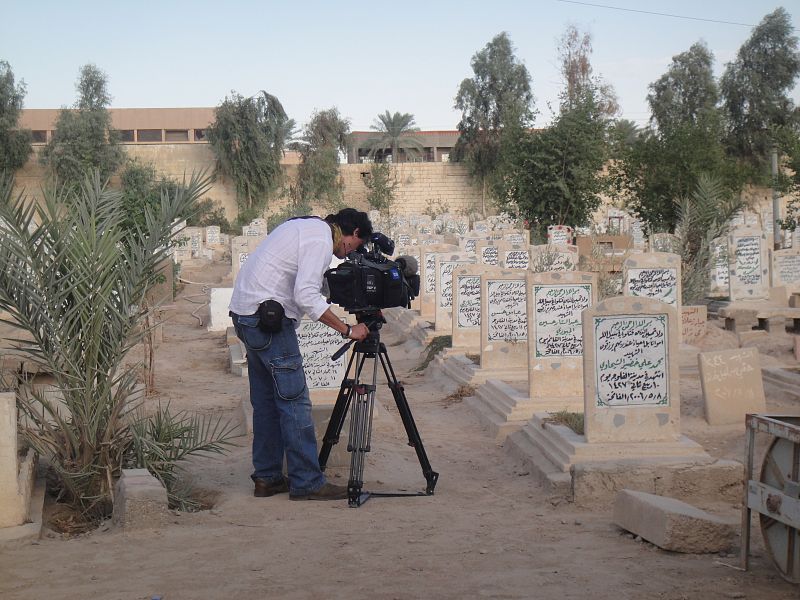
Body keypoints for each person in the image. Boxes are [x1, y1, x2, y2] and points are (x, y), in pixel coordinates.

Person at [229, 208, 373, 500]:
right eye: (355, 247)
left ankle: (267, 478)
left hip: (246, 315)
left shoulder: (308, 229)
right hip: (268, 321)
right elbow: (305, 295)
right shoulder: (320, 240)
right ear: (354, 234)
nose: (347, 255)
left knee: (268, 403)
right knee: (294, 401)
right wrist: (347, 330)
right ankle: (307, 481)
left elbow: (313, 284)